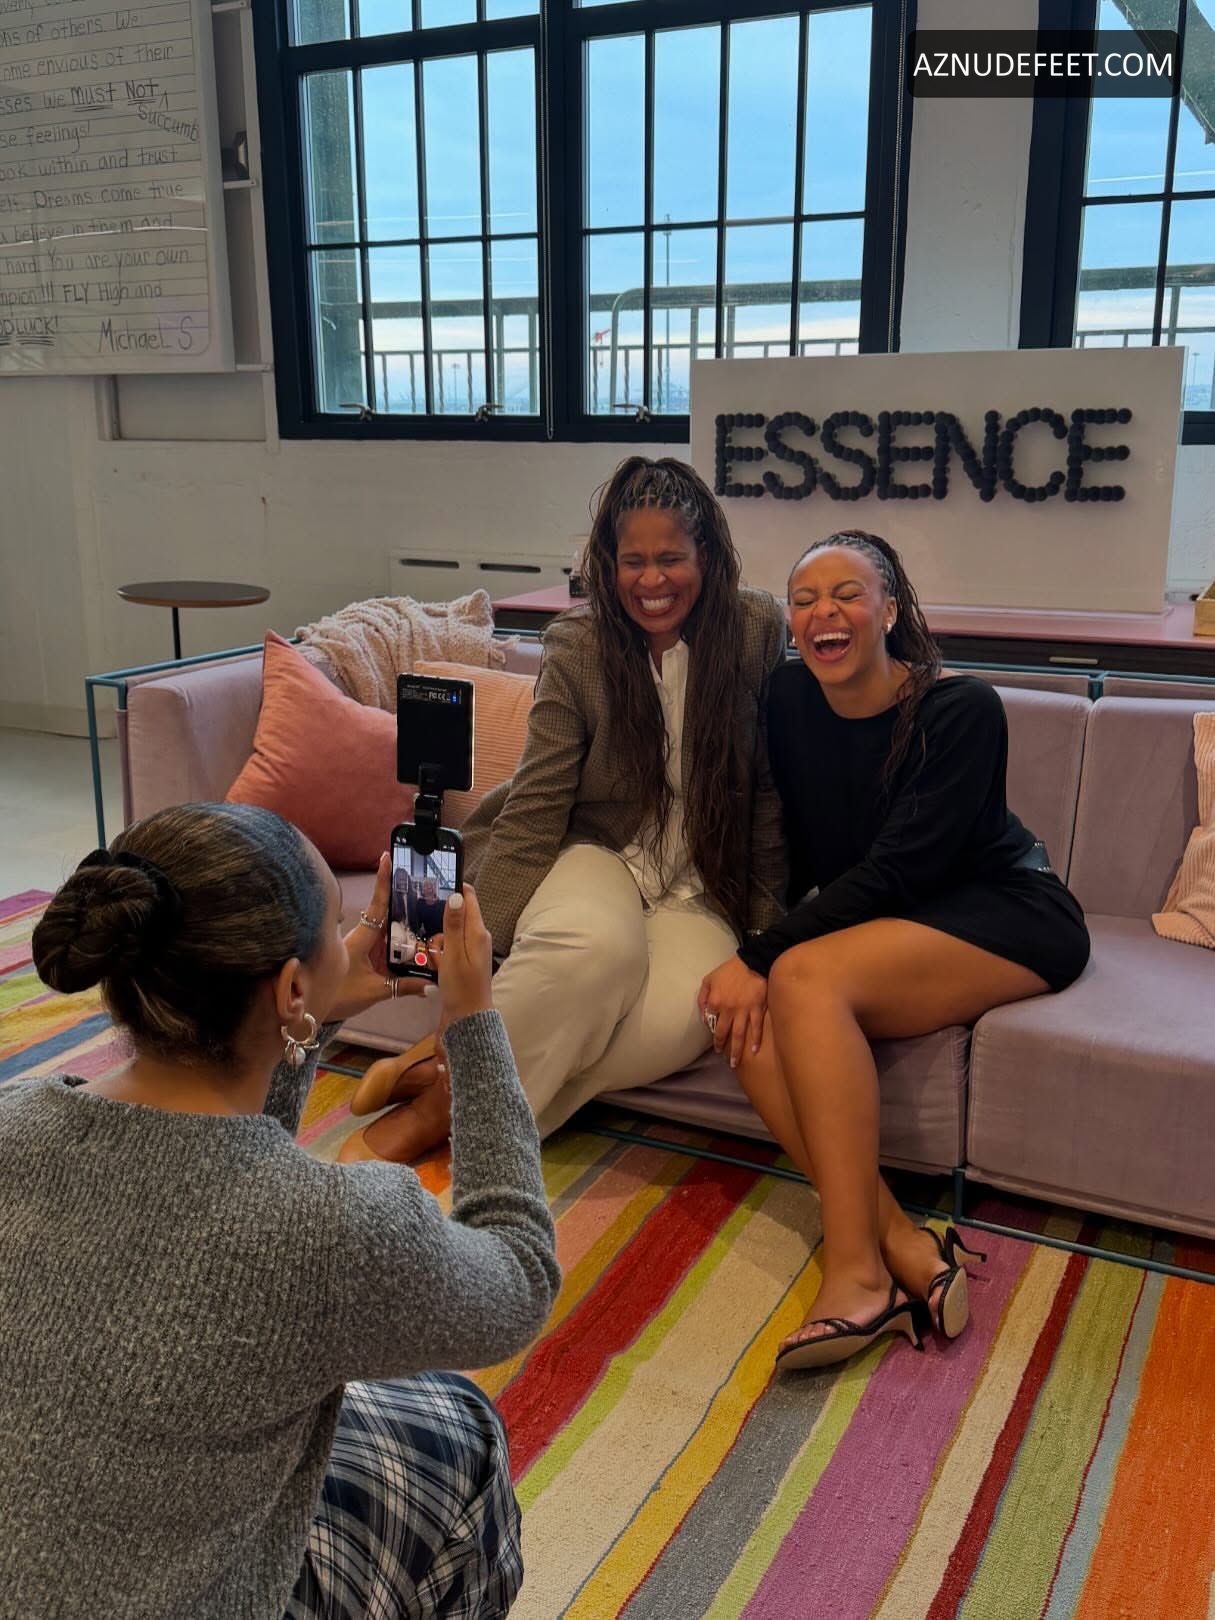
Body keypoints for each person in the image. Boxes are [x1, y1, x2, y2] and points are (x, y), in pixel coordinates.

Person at [0, 803, 559, 1618]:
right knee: (459, 1427)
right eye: (336, 928)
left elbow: (225, 1163)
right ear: (290, 985)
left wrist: (306, 1020)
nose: (350, 941)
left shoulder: (14, 1120)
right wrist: (473, 1025)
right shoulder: (338, 1232)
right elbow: (519, 1276)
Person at [698, 531, 1090, 1372]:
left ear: (888, 610)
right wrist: (748, 946)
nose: (823, 613)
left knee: (794, 975)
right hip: (894, 921)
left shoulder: (960, 709)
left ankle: (856, 1276)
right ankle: (903, 1242)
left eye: (847, 594)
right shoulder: (788, 698)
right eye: (804, 600)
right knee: (747, 1020)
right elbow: (791, 841)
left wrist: (762, 953)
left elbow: (899, 868)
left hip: (1005, 909)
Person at [342, 455, 788, 1162]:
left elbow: (765, 789)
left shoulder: (756, 628)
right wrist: (482, 941)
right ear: (607, 564)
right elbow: (538, 799)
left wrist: (765, 940)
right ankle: (433, 1118)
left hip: (705, 880)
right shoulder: (578, 647)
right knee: (593, 956)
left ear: (707, 556)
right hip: (596, 849)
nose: (651, 581)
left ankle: (440, 1075)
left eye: (671, 558)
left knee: (688, 1018)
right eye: (632, 561)